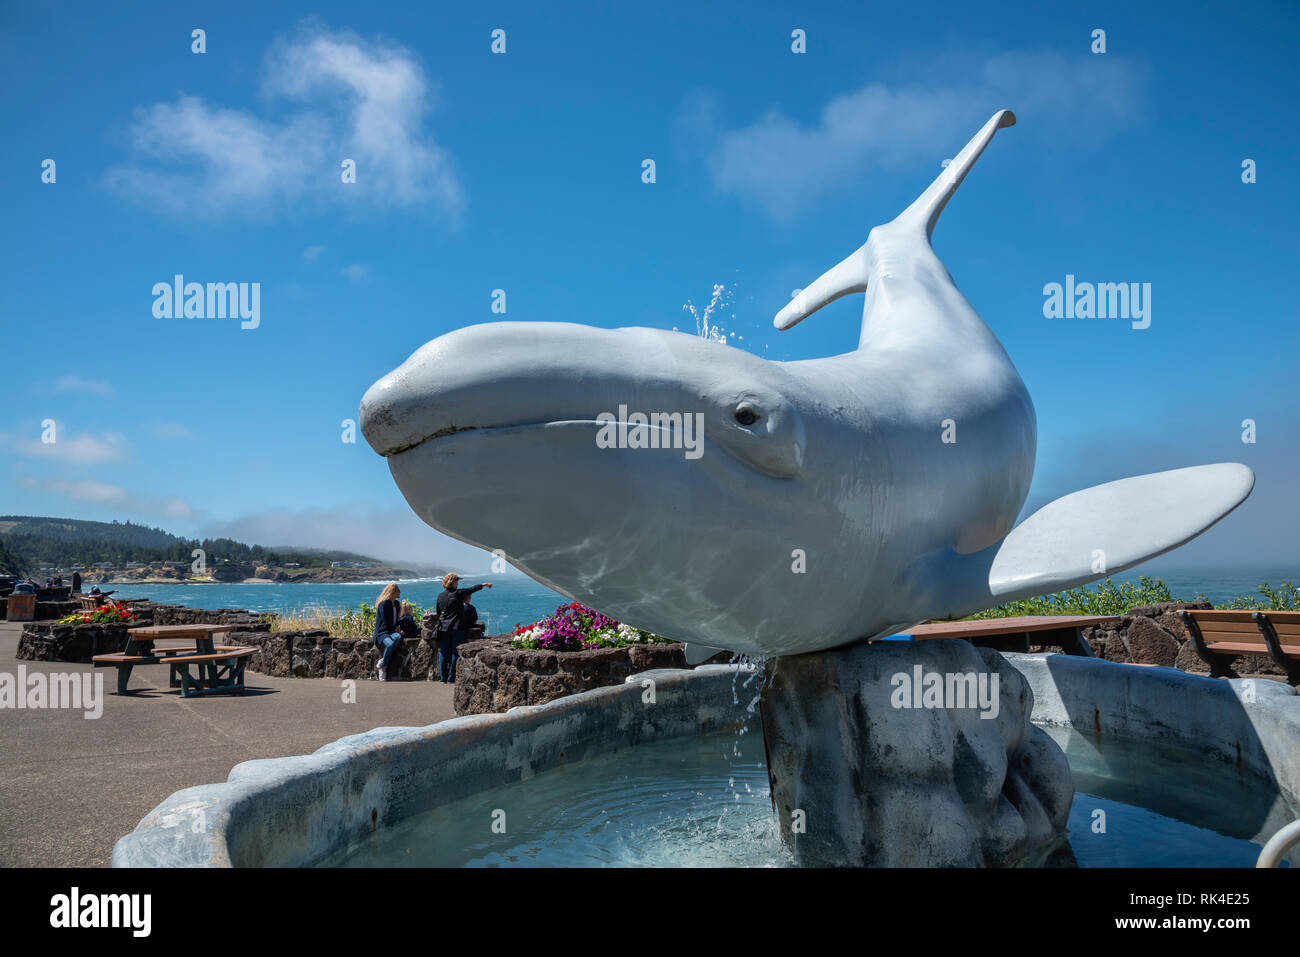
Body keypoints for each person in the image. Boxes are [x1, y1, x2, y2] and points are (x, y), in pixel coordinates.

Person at [433, 573, 492, 683]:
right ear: (452, 582)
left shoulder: (440, 596)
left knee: (444, 652)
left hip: (444, 628)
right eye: (456, 581)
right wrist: (483, 585)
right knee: (455, 653)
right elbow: (471, 589)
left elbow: (438, 613)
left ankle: (443, 678)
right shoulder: (458, 594)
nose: (458, 583)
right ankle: (451, 678)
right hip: (457, 627)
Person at [372, 584, 404, 682]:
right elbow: (386, 621)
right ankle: (383, 668)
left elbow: (396, 620)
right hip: (382, 631)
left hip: (391, 631)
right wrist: (396, 629)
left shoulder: (397, 604)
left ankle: (382, 661)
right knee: (390, 644)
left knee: (398, 637)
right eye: (398, 590)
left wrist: (398, 629)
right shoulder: (384, 604)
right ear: (393, 592)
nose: (400, 593)